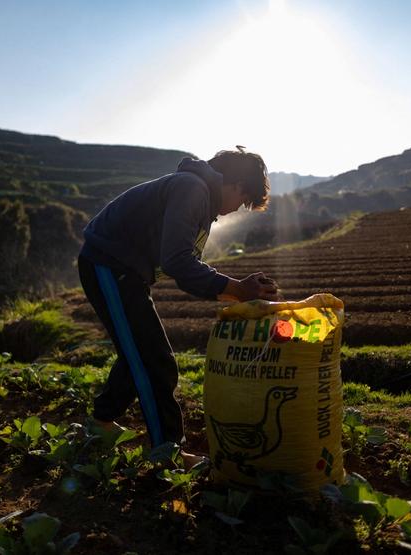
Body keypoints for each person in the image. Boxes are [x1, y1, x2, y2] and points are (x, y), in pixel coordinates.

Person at [78, 147, 279, 467]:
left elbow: (184, 269)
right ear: (237, 183)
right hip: (108, 265)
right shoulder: (192, 189)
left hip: (126, 273)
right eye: (242, 200)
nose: (235, 209)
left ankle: (100, 426)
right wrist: (236, 289)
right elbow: (178, 262)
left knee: (141, 354)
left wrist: (236, 292)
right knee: (154, 359)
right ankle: (167, 452)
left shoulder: (200, 197)